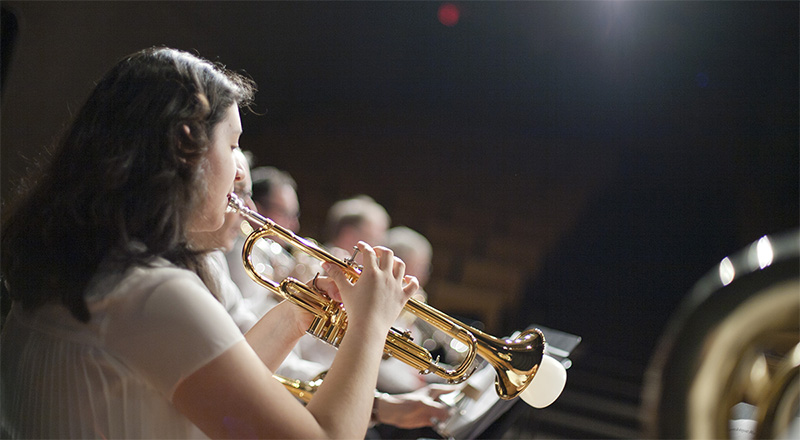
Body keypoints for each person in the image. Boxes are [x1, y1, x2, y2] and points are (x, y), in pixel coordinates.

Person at [0, 47, 418, 439]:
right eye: (233, 143)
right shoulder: (150, 293)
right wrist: (371, 324)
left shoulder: (93, 267)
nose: (240, 171)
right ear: (186, 147)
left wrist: (299, 313)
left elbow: (223, 382)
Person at [215, 163, 452, 430]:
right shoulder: (222, 262)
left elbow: (252, 358)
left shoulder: (217, 267)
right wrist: (370, 324)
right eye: (237, 193)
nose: (250, 210)